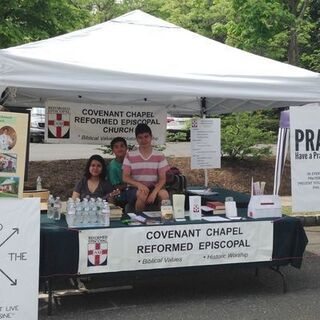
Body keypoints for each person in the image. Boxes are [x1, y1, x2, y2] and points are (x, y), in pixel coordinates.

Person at [123, 123, 170, 212]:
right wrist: (140, 185)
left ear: (151, 137)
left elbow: (162, 179)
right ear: (136, 139)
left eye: (146, 136)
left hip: (153, 188)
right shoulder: (130, 155)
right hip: (134, 189)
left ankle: (165, 221)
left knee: (164, 195)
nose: (143, 140)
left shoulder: (159, 155)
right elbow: (125, 177)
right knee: (142, 194)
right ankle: (140, 221)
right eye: (140, 137)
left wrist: (154, 193)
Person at [107, 137, 128, 207]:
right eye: (116, 147)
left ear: (126, 148)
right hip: (120, 192)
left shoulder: (132, 161)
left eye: (122, 146)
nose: (120, 149)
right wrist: (130, 185)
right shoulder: (113, 166)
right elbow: (116, 186)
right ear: (113, 150)